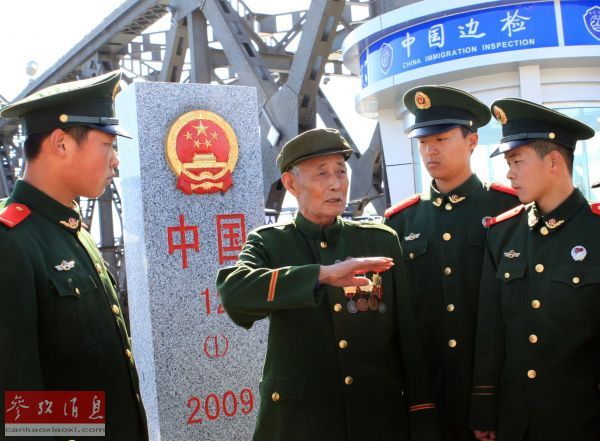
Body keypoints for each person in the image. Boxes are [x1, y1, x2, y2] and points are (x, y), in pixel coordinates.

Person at [216, 128, 441, 441]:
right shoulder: (270, 244)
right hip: (301, 423)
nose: (336, 184)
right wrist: (320, 274)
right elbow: (234, 292)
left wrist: (422, 414)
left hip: (375, 419)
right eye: (322, 174)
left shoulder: (379, 241)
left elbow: (407, 338)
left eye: (341, 172)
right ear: (291, 184)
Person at [0, 71, 148, 440]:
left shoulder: (73, 231)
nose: (115, 161)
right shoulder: (10, 241)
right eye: (107, 145)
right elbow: (17, 406)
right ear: (61, 143)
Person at [384, 85, 519, 441]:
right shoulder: (401, 222)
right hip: (428, 400)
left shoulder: (508, 211)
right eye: (423, 142)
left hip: (496, 398)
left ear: (472, 141)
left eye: (441, 139)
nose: (430, 150)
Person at [470, 98, 599, 441]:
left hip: (581, 421)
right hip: (517, 421)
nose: (509, 172)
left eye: (517, 161)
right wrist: (485, 409)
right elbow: (490, 331)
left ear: (554, 161)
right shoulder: (502, 233)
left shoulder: (595, 231)